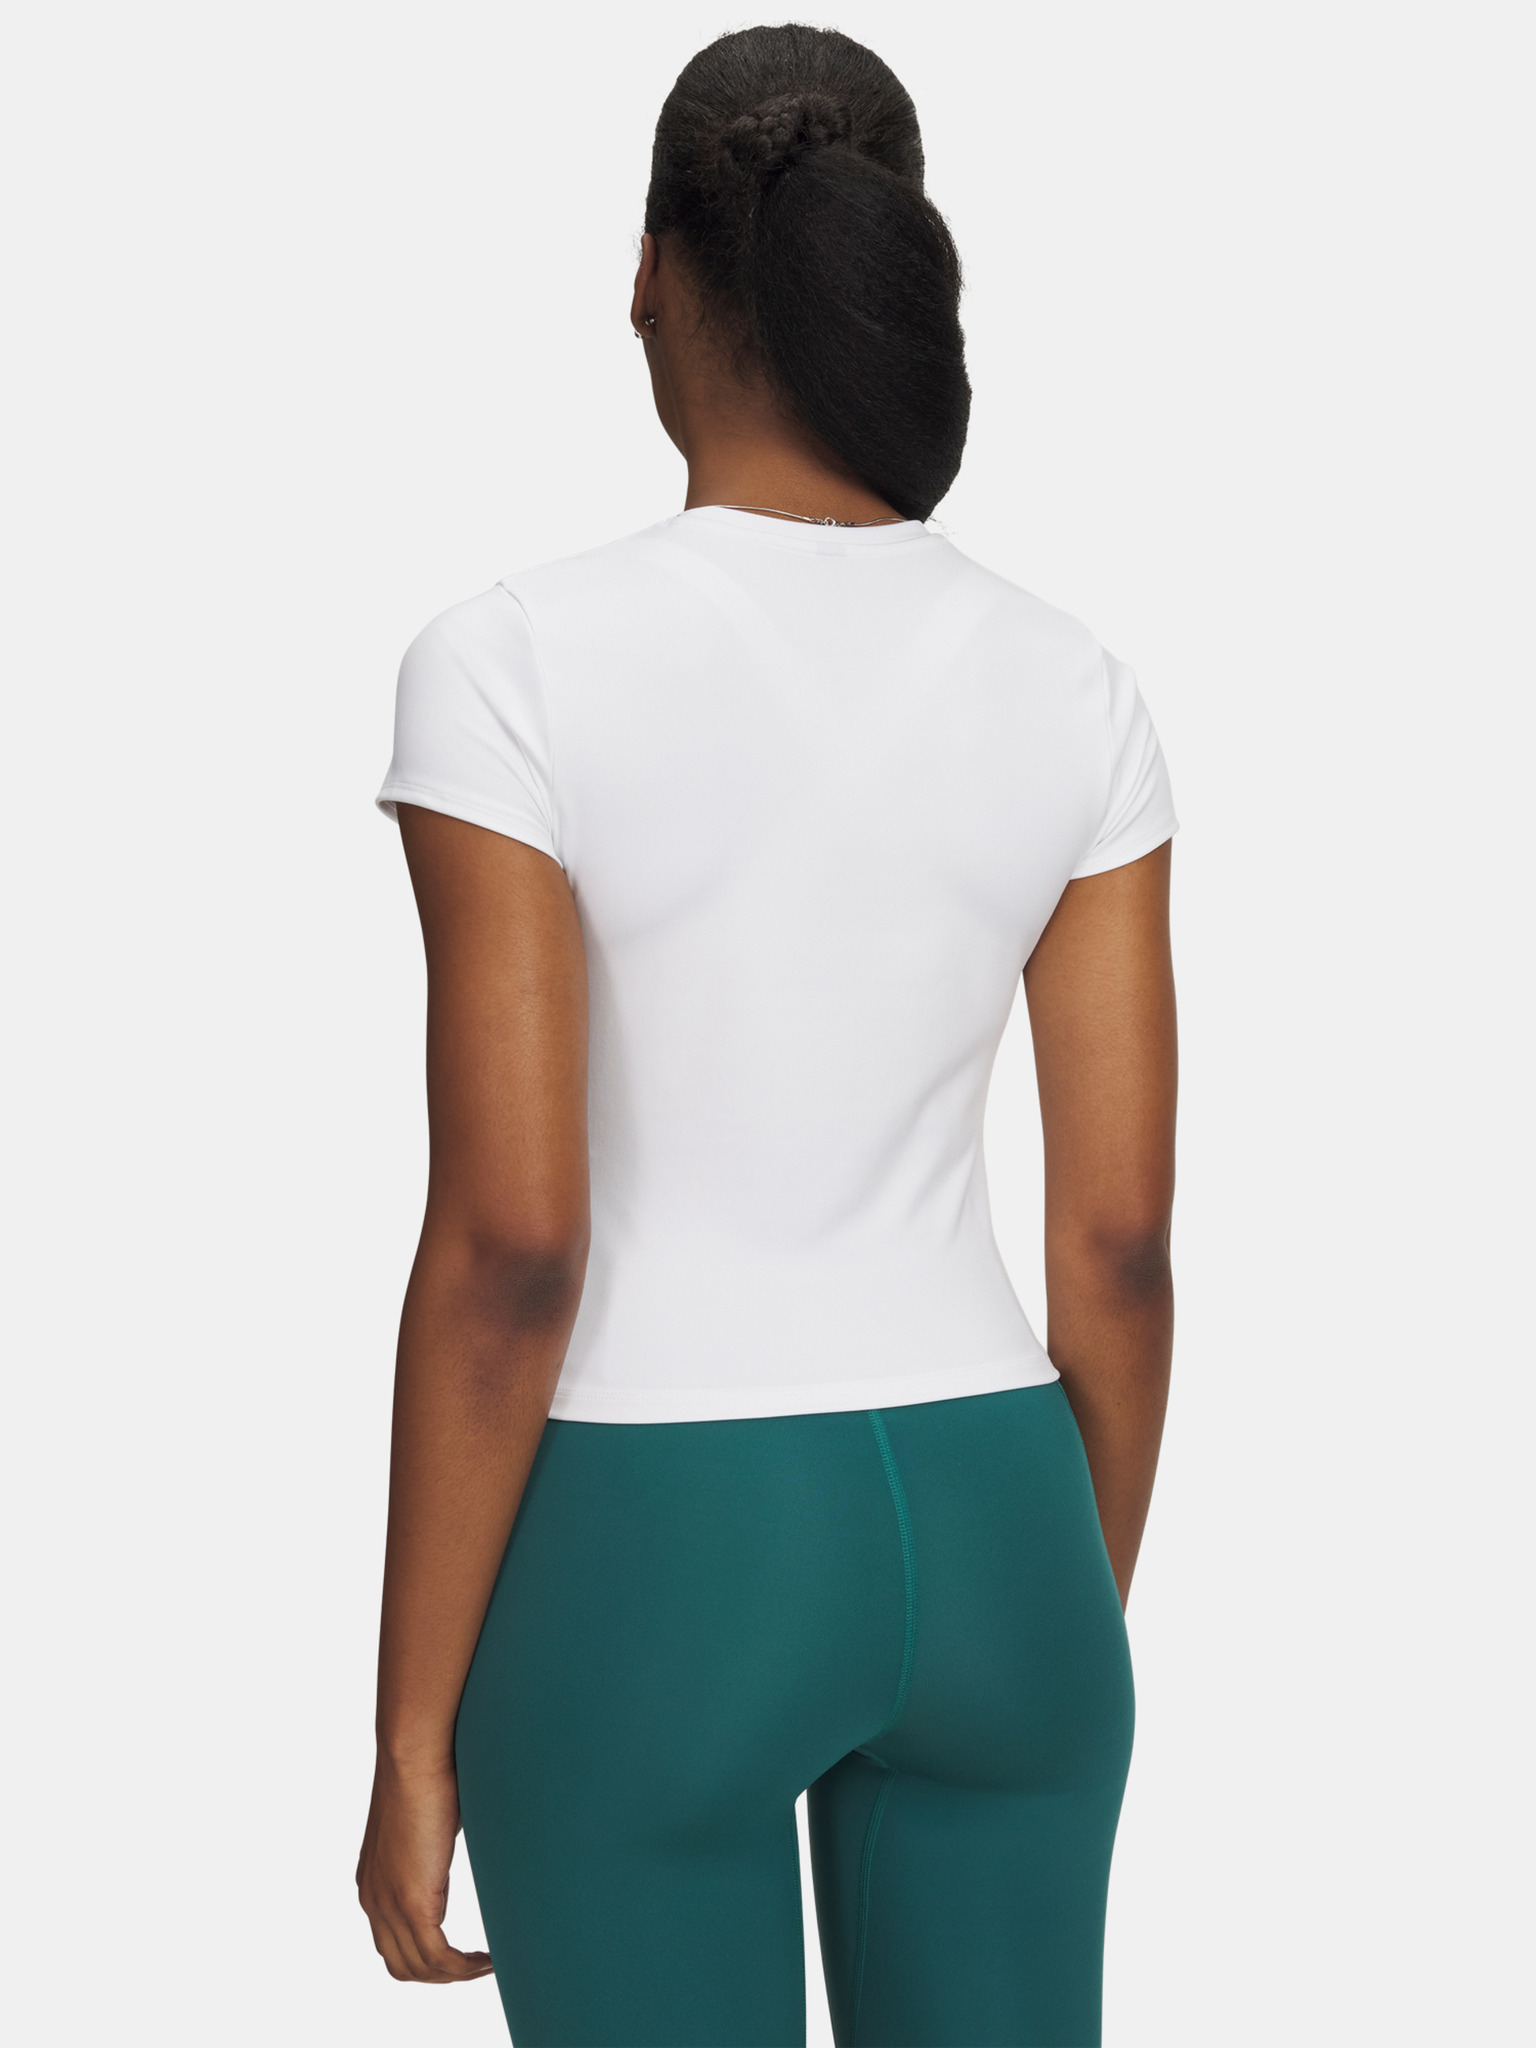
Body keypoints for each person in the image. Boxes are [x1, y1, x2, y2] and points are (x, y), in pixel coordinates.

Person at [355, 23, 1178, 2048]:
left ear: (647, 271)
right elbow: (1118, 1251)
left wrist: (412, 1728)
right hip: (1005, 1519)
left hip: (660, 1546)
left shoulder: (511, 664)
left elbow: (513, 1247)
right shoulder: (1075, 682)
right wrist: (1056, 1612)